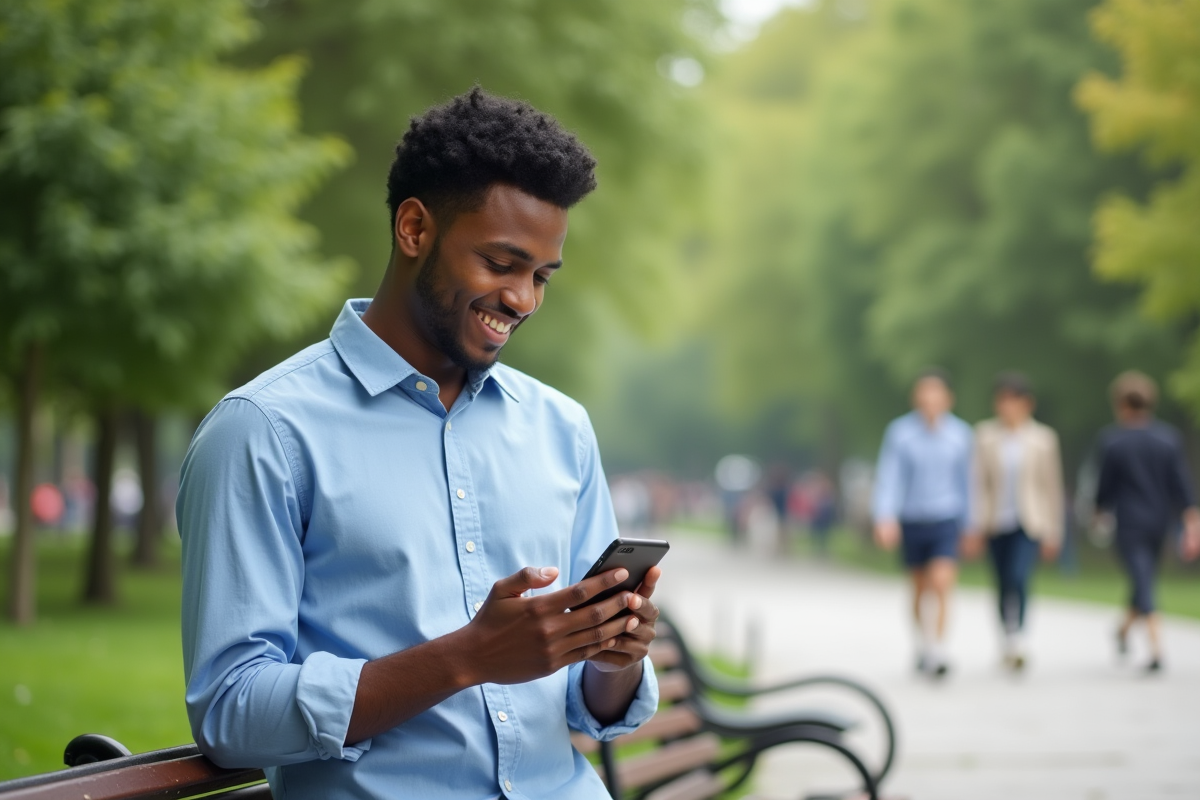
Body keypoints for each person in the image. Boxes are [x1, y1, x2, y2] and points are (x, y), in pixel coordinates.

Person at [176, 89, 662, 800]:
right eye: (502, 263)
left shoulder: (561, 428)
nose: (524, 299)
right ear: (413, 229)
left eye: (541, 276)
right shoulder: (264, 432)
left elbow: (591, 705)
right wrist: (466, 658)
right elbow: (230, 710)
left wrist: (614, 653)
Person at [1095, 371, 1200, 672]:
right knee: (1144, 579)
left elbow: (1105, 487)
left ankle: (1139, 640)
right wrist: (1191, 520)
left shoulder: (1114, 442)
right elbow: (1181, 485)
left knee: (1142, 581)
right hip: (1159, 522)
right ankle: (1149, 643)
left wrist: (1099, 511)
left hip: (1129, 522)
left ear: (1121, 404)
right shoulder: (1168, 439)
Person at [872, 369, 973, 677]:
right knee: (919, 589)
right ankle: (922, 643)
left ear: (948, 398)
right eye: (923, 393)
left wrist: (972, 524)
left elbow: (968, 483)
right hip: (913, 519)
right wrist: (884, 517)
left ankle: (938, 650)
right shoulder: (900, 433)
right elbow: (890, 477)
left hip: (946, 517)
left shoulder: (961, 435)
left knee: (942, 583)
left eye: (935, 393)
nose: (929, 399)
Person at [963, 372, 1064, 671]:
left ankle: (1018, 637)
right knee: (1001, 580)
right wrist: (974, 526)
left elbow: (1051, 487)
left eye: (1013, 400)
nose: (1007, 407)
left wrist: (1054, 530)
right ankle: (1006, 637)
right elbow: (977, 483)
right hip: (994, 520)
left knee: (1019, 577)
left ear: (1026, 403)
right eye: (1002, 400)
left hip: (1029, 521)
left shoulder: (1043, 439)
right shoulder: (985, 436)